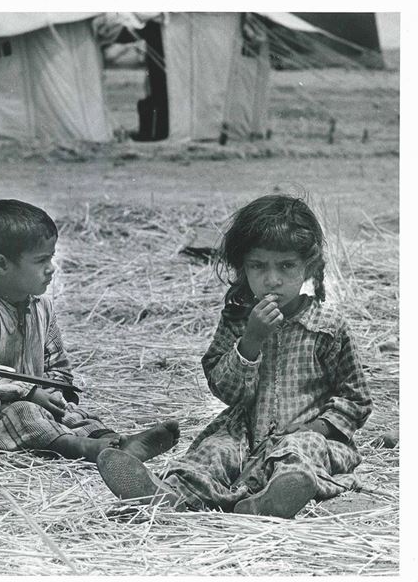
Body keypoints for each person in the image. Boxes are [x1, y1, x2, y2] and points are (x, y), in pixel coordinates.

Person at [97, 194, 373, 518]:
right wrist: (250, 340)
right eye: (258, 266)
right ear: (243, 268)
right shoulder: (238, 321)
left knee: (298, 454)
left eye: (286, 266)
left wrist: (317, 429)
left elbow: (355, 398)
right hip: (245, 434)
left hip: (307, 436)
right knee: (214, 451)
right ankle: (169, 494)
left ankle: (274, 499)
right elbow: (224, 389)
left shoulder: (327, 326)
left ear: (308, 266)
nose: (272, 279)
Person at [0, 199, 180, 463]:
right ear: (2, 265)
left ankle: (119, 443)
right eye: (41, 260)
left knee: (74, 414)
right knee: (24, 414)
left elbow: (57, 363)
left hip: (43, 401)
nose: (52, 267)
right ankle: (86, 449)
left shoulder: (43, 307)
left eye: (51, 257)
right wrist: (30, 392)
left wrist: (57, 390)